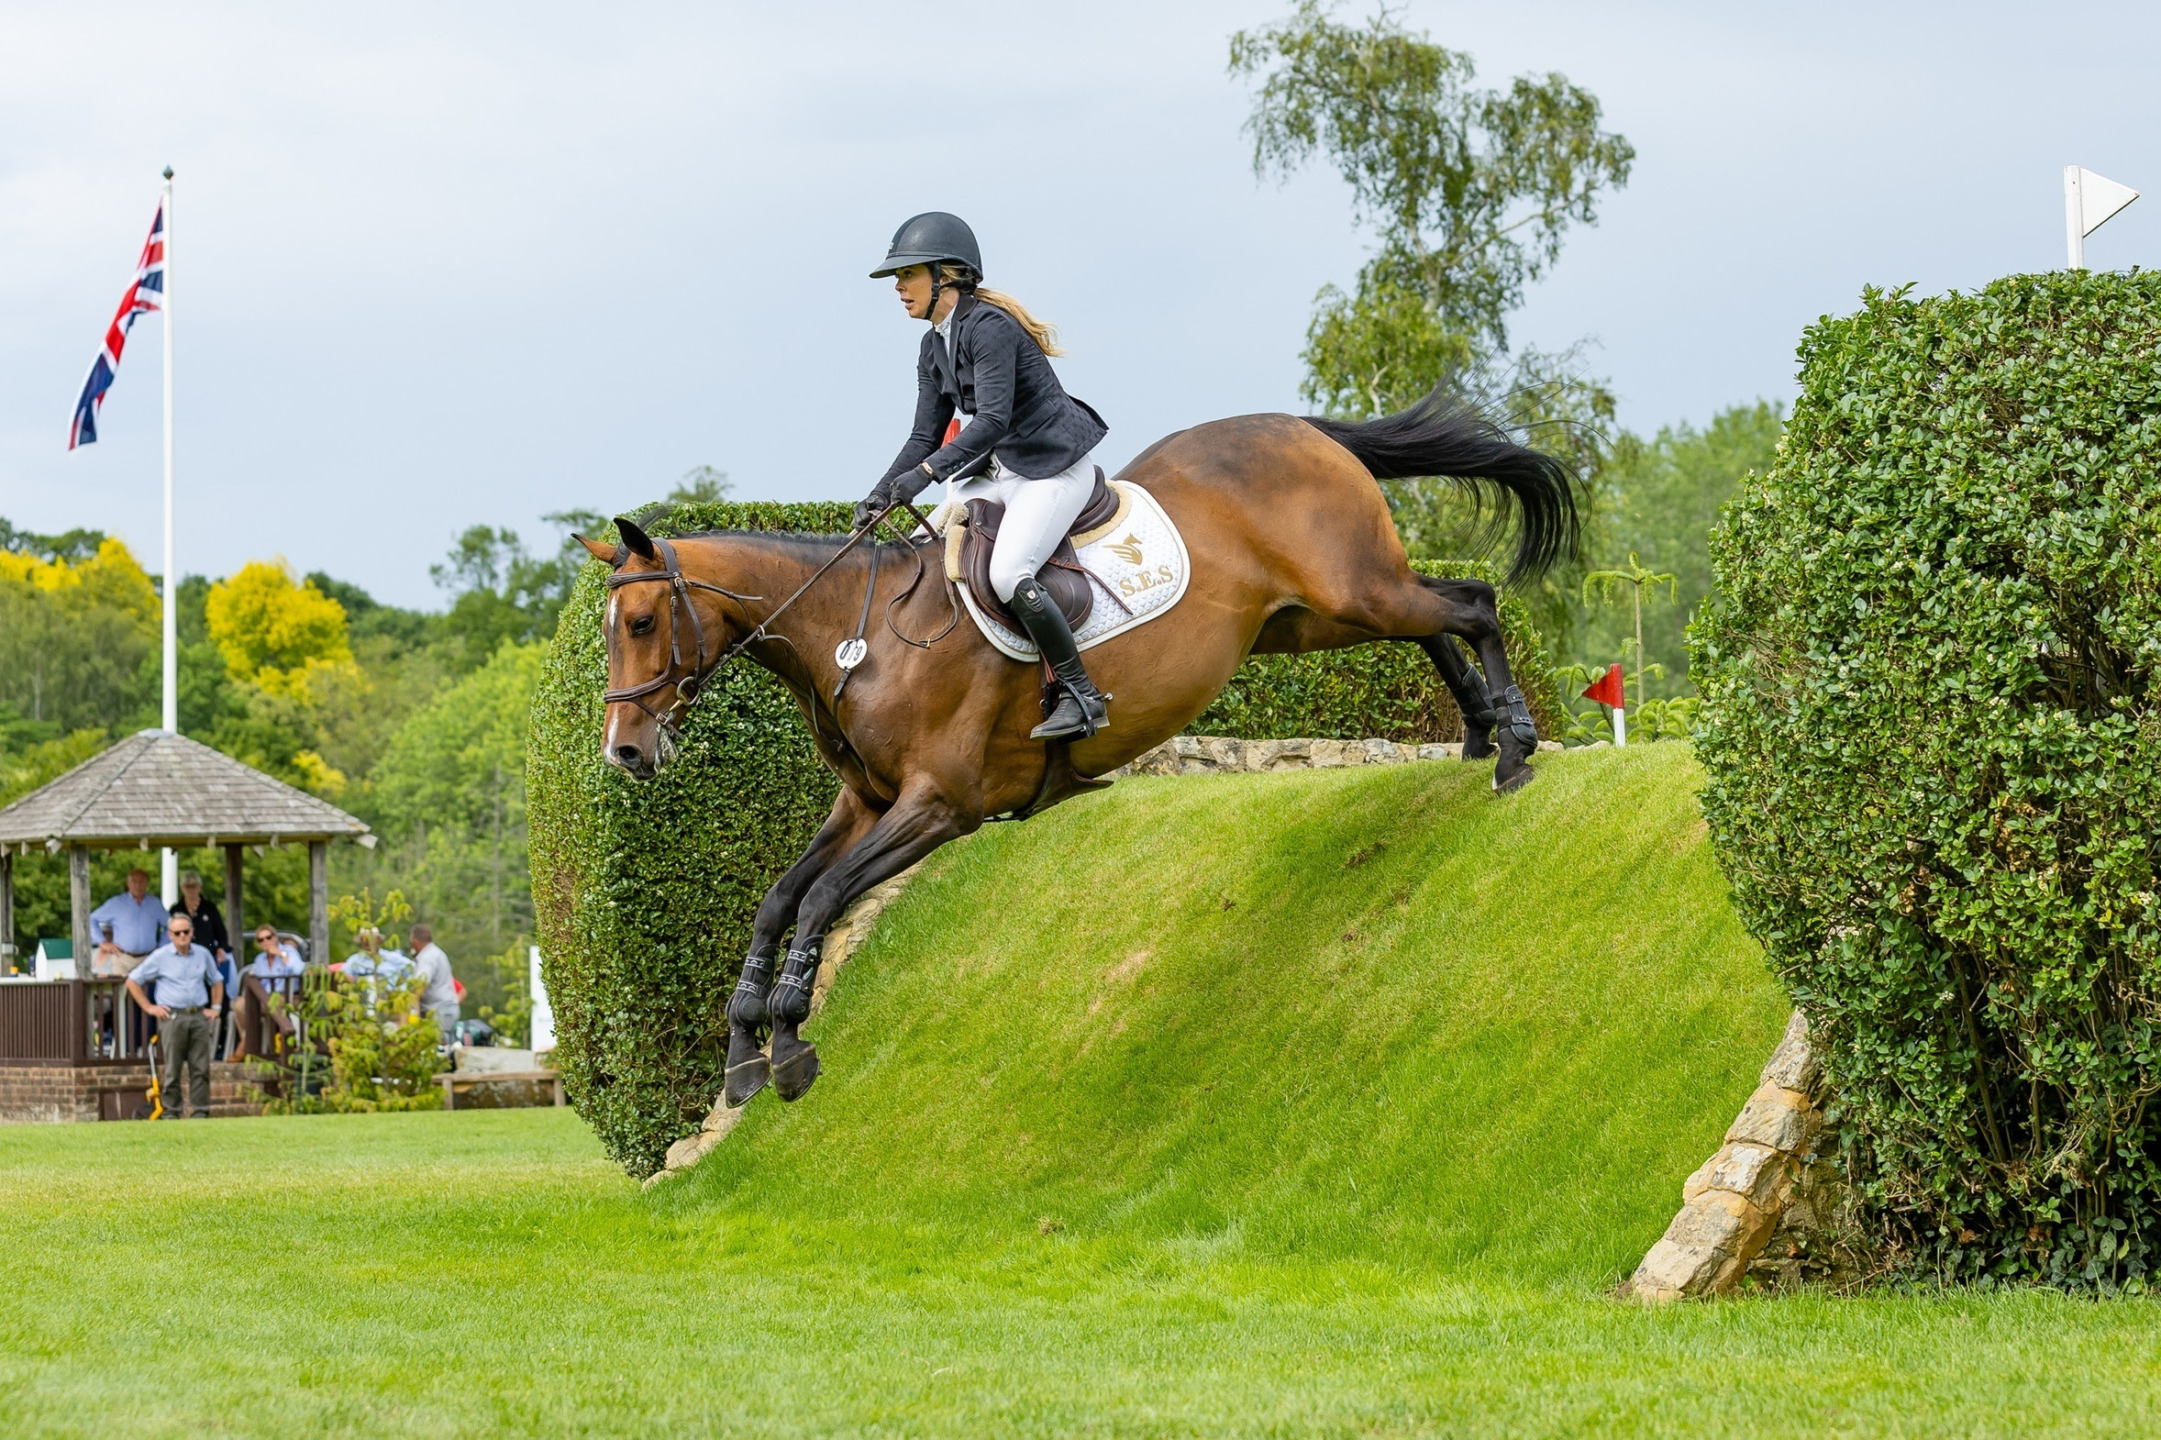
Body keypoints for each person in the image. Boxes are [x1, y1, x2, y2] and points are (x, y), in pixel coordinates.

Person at [856, 212, 1114, 740]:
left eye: (909, 275)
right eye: (898, 279)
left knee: (1006, 574)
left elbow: (993, 420)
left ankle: (1081, 694)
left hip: (1051, 468)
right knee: (921, 556)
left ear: (946, 276)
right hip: (1003, 470)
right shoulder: (933, 344)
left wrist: (925, 475)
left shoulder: (990, 328)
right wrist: (881, 492)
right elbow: (923, 438)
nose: (899, 287)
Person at [125, 913, 223, 1119]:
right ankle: (171, 1112)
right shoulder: (161, 956)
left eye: (186, 932)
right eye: (177, 933)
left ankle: (201, 1112)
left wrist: (216, 1007)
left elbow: (216, 980)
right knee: (172, 1067)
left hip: (198, 1015)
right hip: (172, 1017)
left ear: (192, 932)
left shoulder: (203, 954)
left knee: (200, 1067)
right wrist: (149, 1007)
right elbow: (133, 980)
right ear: (170, 935)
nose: (182, 936)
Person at [89, 869, 168, 974]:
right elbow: (91, 919)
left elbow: (170, 925)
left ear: (147, 883)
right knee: (121, 989)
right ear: (128, 883)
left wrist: (161, 946)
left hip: (148, 958)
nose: (138, 885)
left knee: (148, 990)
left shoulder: (155, 904)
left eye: (141, 881)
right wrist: (102, 942)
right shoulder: (117, 903)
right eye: (134, 881)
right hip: (123, 958)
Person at [408, 924, 460, 1041]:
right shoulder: (438, 953)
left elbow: (419, 988)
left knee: (437, 1048)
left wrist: (413, 1018)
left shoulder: (427, 957)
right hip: (449, 1008)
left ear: (415, 943)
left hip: (437, 1011)